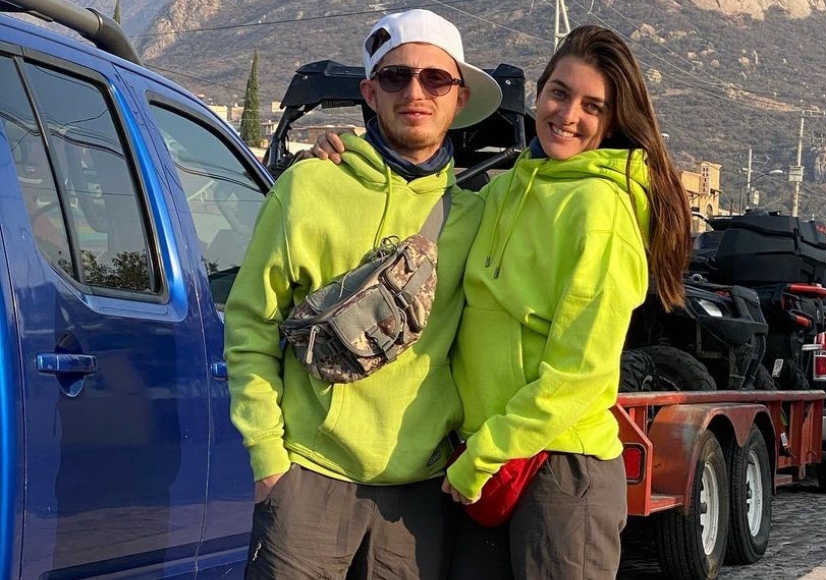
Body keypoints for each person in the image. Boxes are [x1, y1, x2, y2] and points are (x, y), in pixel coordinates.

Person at [223, 9, 501, 579]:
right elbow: (251, 325)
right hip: (307, 477)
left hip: (420, 495)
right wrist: (267, 456)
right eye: (397, 77)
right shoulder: (310, 185)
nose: (415, 92)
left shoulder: (481, 215)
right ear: (370, 93)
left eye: (435, 79)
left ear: (459, 96)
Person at [443, 25, 691, 579]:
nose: (568, 115)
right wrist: (345, 160)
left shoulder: (600, 209)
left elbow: (581, 371)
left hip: (559, 467)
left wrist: (484, 454)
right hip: (491, 458)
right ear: (539, 93)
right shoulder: (507, 188)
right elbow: (426, 206)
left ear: (612, 121)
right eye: (559, 92)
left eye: (591, 106)